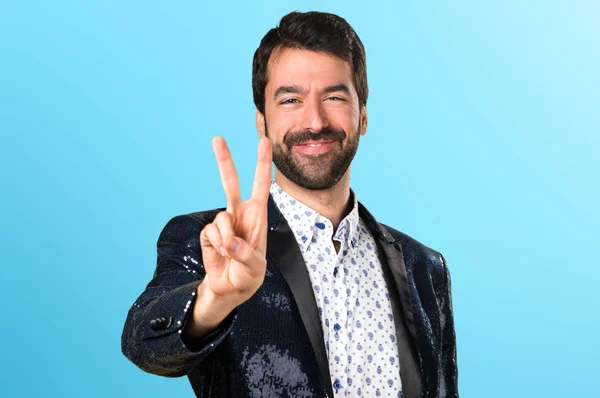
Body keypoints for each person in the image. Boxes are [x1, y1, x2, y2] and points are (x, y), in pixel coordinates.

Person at [121, 11, 458, 398]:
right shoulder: (212, 242)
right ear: (262, 121)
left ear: (362, 115)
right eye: (291, 99)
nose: (314, 121)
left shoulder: (425, 269)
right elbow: (143, 345)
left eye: (334, 97)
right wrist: (213, 301)